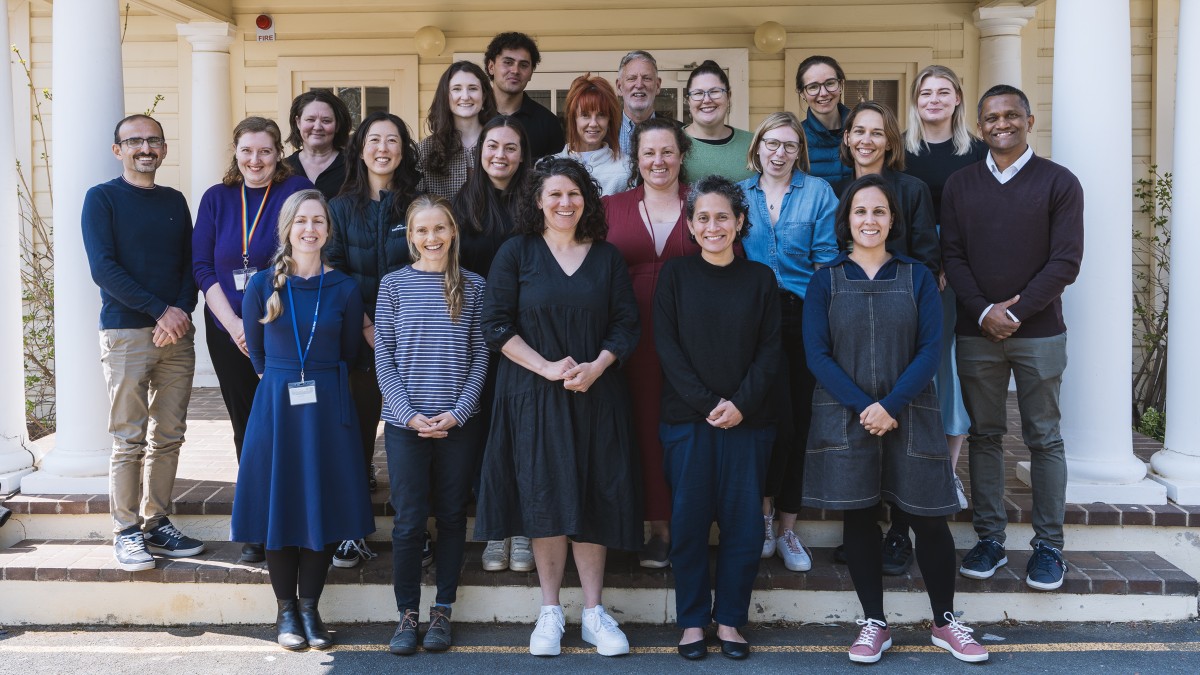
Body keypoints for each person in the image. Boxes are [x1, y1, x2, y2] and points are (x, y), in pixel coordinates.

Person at [803, 175, 988, 664]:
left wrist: (892, 405)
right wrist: (866, 406)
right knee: (859, 517)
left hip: (912, 412)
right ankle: (874, 623)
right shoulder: (825, 279)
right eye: (860, 211)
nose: (869, 220)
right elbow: (817, 355)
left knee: (928, 518)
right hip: (848, 416)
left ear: (892, 220)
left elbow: (930, 349)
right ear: (846, 219)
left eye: (879, 212)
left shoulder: (917, 276)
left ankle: (945, 622)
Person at [474, 157, 641, 657]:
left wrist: (598, 365)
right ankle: (550, 612)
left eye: (573, 194)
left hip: (596, 393)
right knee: (545, 497)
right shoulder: (516, 253)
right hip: (532, 395)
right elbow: (496, 324)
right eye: (554, 195)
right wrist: (546, 367)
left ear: (586, 199)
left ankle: (593, 612)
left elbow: (626, 325)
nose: (564, 203)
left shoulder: (607, 257)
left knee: (593, 494)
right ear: (538, 201)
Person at [943, 85, 1083, 592]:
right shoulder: (961, 184)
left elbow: (1065, 261)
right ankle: (991, 539)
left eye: (1010, 115)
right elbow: (952, 256)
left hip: (1039, 332)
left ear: (1029, 119)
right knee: (984, 435)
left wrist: (1016, 312)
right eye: (990, 118)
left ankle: (1048, 547)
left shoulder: (1059, 183)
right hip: (976, 331)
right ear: (979, 126)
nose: (1001, 124)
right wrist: (983, 311)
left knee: (1044, 437)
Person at [232, 189, 375, 652]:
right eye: (301, 221)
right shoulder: (261, 286)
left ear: (328, 231)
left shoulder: (346, 288)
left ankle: (311, 608)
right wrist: (283, 378)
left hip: (329, 405)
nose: (310, 229)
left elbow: (352, 353)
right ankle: (285, 610)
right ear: (287, 229)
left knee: (321, 503)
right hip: (277, 405)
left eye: (318, 221)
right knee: (281, 504)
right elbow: (255, 352)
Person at [654, 176, 780, 661]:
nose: (713, 226)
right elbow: (668, 349)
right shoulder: (675, 277)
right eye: (702, 217)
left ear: (741, 222)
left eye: (723, 217)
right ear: (690, 224)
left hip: (748, 423)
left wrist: (739, 404)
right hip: (688, 422)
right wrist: (708, 404)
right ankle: (691, 622)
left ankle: (728, 620)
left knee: (744, 527)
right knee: (687, 524)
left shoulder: (760, 280)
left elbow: (770, 352)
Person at [83, 114, 203, 571]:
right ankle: (126, 530)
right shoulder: (102, 199)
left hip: (176, 333)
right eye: (134, 141)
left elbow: (190, 264)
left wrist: (180, 312)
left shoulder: (175, 200)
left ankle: (158, 522)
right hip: (127, 332)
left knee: (169, 435)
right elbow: (104, 268)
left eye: (153, 140)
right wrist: (161, 311)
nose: (144, 148)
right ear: (118, 150)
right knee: (128, 436)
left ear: (164, 149)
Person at [192, 117, 313, 563]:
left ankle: (295, 518)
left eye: (264, 151)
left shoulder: (293, 191)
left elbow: (304, 251)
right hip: (229, 330)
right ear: (236, 152)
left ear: (278, 152)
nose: (255, 160)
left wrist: (261, 321)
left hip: (283, 325)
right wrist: (236, 324)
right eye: (247, 151)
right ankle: (257, 523)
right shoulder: (217, 198)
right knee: (247, 424)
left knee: (289, 420)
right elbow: (203, 266)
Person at [376, 196, 488, 655]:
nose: (432, 238)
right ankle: (407, 614)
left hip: (457, 422)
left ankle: (442, 609)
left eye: (439, 228)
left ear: (453, 232)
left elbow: (481, 355)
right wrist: (407, 414)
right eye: (422, 230)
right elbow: (383, 353)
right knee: (407, 521)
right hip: (406, 424)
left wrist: (459, 411)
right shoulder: (393, 285)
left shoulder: (473, 286)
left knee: (450, 516)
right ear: (410, 235)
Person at [736, 112, 839, 572]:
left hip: (800, 316)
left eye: (789, 145)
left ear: (801, 151)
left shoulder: (818, 193)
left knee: (796, 424)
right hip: (750, 319)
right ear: (756, 147)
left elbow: (825, 264)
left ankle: (788, 529)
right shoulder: (738, 193)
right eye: (771, 144)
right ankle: (760, 518)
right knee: (760, 421)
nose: (779, 153)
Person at [896, 64, 988, 562]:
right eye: (925, 92)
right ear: (915, 100)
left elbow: (981, 217)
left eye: (943, 92)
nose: (934, 99)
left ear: (957, 99)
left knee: (946, 367)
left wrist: (951, 266)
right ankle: (909, 465)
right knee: (912, 365)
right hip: (910, 274)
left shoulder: (974, 152)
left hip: (955, 278)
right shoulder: (901, 152)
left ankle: (946, 473)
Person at [325, 111, 422, 569]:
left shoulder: (419, 205)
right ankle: (351, 532)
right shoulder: (339, 209)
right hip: (357, 340)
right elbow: (336, 273)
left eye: (393, 140)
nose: (383, 148)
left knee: (409, 438)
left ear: (403, 149)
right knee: (356, 438)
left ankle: (415, 531)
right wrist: (369, 328)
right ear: (360, 149)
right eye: (374, 140)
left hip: (416, 343)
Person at [602, 117, 698, 569]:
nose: (658, 161)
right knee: (631, 427)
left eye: (667, 152)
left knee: (678, 431)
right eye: (648, 153)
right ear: (636, 159)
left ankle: (668, 528)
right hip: (626, 333)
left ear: (682, 155)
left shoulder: (703, 203)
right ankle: (626, 523)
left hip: (689, 336)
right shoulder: (609, 207)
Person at [453, 115, 536, 574]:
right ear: (479, 151)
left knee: (522, 432)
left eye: (510, 147)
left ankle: (522, 525)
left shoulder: (537, 202)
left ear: (523, 154)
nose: (500, 155)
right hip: (475, 334)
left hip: (528, 336)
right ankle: (493, 526)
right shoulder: (461, 206)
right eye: (492, 146)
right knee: (485, 435)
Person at [838, 101, 938, 275]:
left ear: (890, 142)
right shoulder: (834, 193)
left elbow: (927, 261)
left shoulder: (914, 192)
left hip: (901, 294)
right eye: (859, 131)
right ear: (847, 138)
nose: (866, 140)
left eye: (877, 133)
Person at [418, 61, 497, 200]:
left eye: (473, 88)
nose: (465, 96)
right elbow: (417, 205)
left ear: (484, 96)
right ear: (446, 96)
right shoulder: (425, 150)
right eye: (456, 89)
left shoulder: (500, 144)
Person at [484, 32, 564, 160]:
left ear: (531, 73)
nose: (515, 70)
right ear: (491, 67)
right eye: (508, 62)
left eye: (523, 65)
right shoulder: (474, 115)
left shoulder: (548, 124)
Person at [553, 73, 630, 196]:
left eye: (601, 115)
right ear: (574, 118)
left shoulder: (626, 167)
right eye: (585, 115)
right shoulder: (548, 166)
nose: (593, 123)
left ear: (609, 120)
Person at [682, 60, 754, 182]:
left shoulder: (753, 144)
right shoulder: (673, 143)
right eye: (698, 93)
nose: (707, 100)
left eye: (714, 92)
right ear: (688, 100)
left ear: (729, 96)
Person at [796, 55, 854, 187]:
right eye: (813, 87)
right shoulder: (796, 138)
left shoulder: (862, 131)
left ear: (841, 85)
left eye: (830, 83)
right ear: (802, 93)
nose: (823, 93)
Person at [283, 90, 352, 199]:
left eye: (326, 121)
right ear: (298, 122)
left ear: (337, 125)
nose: (317, 127)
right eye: (310, 119)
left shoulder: (354, 166)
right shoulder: (284, 169)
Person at [615, 50, 676, 156]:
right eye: (632, 78)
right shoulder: (603, 132)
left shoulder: (676, 132)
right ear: (619, 87)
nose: (639, 85)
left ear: (657, 86)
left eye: (646, 78)